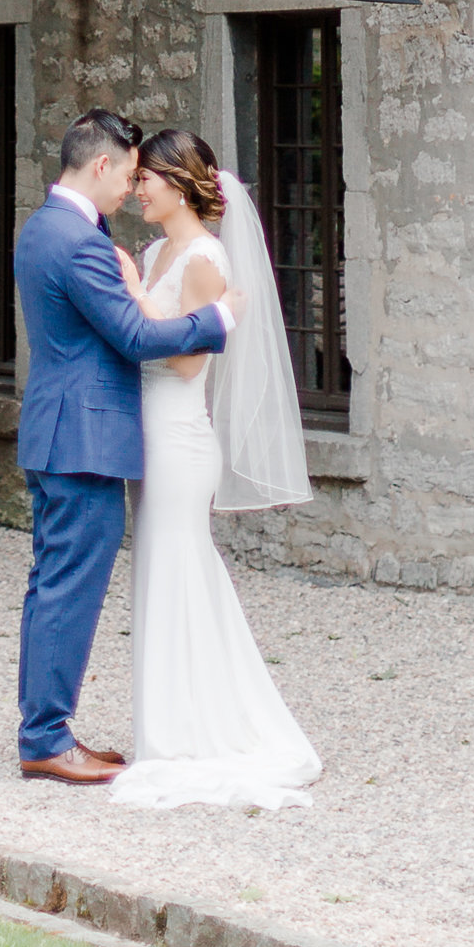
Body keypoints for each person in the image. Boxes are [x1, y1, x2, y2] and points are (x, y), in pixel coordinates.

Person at [13, 109, 243, 785]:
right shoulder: (79, 241)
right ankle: (46, 738)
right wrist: (218, 317)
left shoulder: (42, 228)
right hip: (81, 441)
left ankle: (44, 729)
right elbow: (136, 338)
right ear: (101, 165)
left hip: (60, 433)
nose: (129, 191)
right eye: (127, 176)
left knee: (49, 587)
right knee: (67, 591)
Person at [108, 126, 320, 811]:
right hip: (148, 432)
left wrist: (136, 294)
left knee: (175, 563)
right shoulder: (155, 248)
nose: (136, 188)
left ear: (176, 183)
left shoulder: (201, 257)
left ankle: (190, 730)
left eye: (145, 178)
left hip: (178, 435)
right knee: (160, 568)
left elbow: (187, 360)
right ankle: (168, 720)